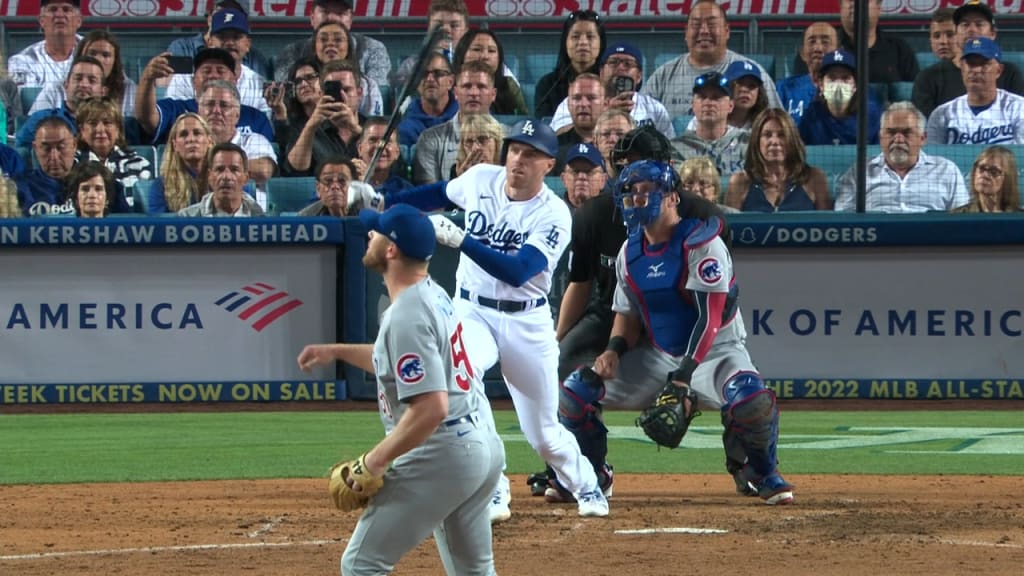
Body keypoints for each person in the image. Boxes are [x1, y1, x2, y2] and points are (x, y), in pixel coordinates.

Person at [352, 119, 611, 522]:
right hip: (472, 311)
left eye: (530, 154)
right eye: (514, 149)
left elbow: (519, 271)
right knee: (463, 377)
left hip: (526, 321)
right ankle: (493, 487)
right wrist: (382, 199)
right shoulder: (480, 179)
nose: (518, 159)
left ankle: (586, 482)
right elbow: (437, 193)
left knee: (543, 434)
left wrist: (461, 240)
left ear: (548, 166)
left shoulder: (555, 214)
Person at [556, 159, 795, 508]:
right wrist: (613, 351)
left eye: (646, 192)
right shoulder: (629, 251)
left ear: (671, 198)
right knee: (576, 391)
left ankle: (760, 471)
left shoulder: (702, 244)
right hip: (659, 355)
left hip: (716, 352)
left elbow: (708, 318)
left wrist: (683, 378)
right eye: (631, 193)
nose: (637, 200)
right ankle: (592, 475)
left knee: (751, 400)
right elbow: (627, 314)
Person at [297, 203, 504, 576]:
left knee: (362, 564)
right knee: (473, 570)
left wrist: (372, 461)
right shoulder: (432, 293)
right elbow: (402, 362)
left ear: (391, 249)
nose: (369, 235)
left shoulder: (407, 313)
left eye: (376, 232)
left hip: (445, 452)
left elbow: (431, 407)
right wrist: (335, 351)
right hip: (482, 446)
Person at [530, 124, 731, 500]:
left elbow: (718, 298)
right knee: (563, 368)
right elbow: (581, 283)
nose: (629, 176)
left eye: (638, 164)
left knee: (742, 389)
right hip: (611, 313)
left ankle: (747, 466)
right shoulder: (595, 213)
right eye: (622, 166)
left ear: (667, 169)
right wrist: (556, 341)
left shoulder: (700, 216)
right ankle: (572, 469)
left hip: (678, 318)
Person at [642, 0, 780, 118]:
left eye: (712, 24)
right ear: (686, 32)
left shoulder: (752, 73)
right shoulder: (664, 75)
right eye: (696, 25)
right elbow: (638, 120)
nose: (704, 31)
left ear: (727, 31)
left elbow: (778, 125)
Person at [835, 102, 968, 213]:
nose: (898, 139)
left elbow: (962, 215)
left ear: (922, 138)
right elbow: (843, 215)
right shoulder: (860, 171)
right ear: (881, 138)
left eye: (906, 132)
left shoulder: (946, 170)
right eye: (891, 132)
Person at [136, 47, 274, 145]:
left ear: (234, 80)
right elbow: (146, 119)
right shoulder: (176, 109)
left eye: (220, 71)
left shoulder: (256, 118)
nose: (213, 75)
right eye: (206, 71)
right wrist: (147, 79)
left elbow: (268, 161)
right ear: (193, 80)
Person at [913, 0, 1024, 118]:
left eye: (979, 24)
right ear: (956, 33)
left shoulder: (1010, 73)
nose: (971, 29)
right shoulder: (928, 77)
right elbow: (928, 126)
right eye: (965, 24)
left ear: (993, 33)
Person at [552, 41, 673, 138]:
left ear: (639, 76)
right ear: (601, 71)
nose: (620, 67)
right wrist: (603, 113)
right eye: (613, 62)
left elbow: (670, 145)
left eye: (628, 64)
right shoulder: (577, 99)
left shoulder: (654, 108)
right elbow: (557, 137)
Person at [273, 0, 391, 94]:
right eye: (325, 12)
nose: (332, 18)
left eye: (340, 13)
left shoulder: (373, 48)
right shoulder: (292, 51)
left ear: (350, 19)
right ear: (312, 17)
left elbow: (376, 92)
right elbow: (285, 91)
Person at [165, 8, 270, 114]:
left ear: (247, 44)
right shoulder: (183, 80)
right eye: (222, 37)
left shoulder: (258, 85)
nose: (229, 43)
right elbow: (173, 121)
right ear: (209, 42)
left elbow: (263, 126)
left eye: (236, 37)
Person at [726, 108, 831, 212]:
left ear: (792, 140)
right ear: (756, 141)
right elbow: (729, 227)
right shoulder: (739, 182)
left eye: (782, 135)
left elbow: (828, 226)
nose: (775, 141)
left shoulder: (815, 178)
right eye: (767, 135)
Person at [926, 38, 1024, 146]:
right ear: (962, 68)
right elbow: (933, 159)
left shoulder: (1019, 108)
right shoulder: (942, 114)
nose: (976, 70)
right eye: (971, 63)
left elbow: (1021, 157)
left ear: (998, 70)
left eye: (984, 63)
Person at [413, 60, 498, 184]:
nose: (474, 93)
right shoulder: (430, 140)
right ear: (456, 93)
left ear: (493, 94)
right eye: (467, 86)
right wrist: (459, 184)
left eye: (481, 87)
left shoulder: (509, 138)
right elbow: (429, 198)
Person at [30, 30, 136, 119]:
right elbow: (33, 125)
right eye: (92, 53)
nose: (98, 59)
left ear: (115, 61)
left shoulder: (129, 89)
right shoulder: (54, 89)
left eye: (105, 55)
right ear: (80, 56)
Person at [284, 59, 365, 175]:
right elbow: (295, 169)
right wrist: (312, 125)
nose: (341, 96)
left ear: (359, 93)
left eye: (347, 90)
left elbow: (390, 163)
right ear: (321, 94)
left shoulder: (372, 127)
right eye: (334, 91)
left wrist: (355, 128)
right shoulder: (305, 130)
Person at [74, 97, 153, 207]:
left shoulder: (139, 164)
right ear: (82, 130)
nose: (100, 129)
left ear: (118, 130)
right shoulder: (73, 164)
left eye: (107, 123)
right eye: (93, 123)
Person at [167, 0, 273, 80]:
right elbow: (170, 85)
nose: (228, 17)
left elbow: (261, 91)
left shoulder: (255, 57)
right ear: (209, 18)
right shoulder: (182, 47)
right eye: (221, 11)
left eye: (235, 12)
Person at [16, 55, 107, 148]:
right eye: (78, 78)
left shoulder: (111, 125)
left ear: (103, 91)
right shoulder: (41, 119)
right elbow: (20, 154)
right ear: (66, 85)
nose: (84, 84)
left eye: (92, 80)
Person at [671, 71, 748, 176]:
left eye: (716, 97)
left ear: (731, 106)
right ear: (693, 105)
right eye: (702, 97)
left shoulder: (746, 142)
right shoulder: (677, 148)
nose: (708, 102)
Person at [798, 50, 881, 146]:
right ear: (821, 84)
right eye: (832, 78)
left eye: (845, 78)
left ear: (855, 85)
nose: (838, 84)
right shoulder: (811, 116)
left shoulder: (872, 115)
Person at [534, 9, 607, 118]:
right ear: (565, 42)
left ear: (601, 42)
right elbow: (543, 123)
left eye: (590, 36)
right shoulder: (547, 85)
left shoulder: (608, 83)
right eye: (575, 36)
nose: (583, 42)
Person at [310, 20, 384, 117]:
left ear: (348, 46)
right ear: (314, 47)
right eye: (323, 39)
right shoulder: (304, 83)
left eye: (338, 39)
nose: (330, 44)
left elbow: (373, 126)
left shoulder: (368, 86)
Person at [146, 112, 215, 213]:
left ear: (209, 141)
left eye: (197, 133)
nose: (191, 139)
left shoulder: (228, 178)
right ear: (175, 145)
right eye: (183, 134)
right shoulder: (161, 186)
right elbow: (159, 226)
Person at [392, 0, 470, 88]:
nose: (446, 30)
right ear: (429, 28)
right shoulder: (412, 64)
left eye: (454, 25)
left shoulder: (474, 64)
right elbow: (397, 88)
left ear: (466, 31)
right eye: (439, 25)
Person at [15, 113, 80, 215]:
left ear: (74, 145)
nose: (54, 157)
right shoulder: (20, 187)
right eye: (46, 149)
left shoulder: (93, 182)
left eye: (61, 147)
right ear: (36, 148)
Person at [452, 28, 528, 116]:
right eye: (477, 49)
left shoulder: (508, 85)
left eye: (491, 51)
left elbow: (524, 118)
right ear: (462, 54)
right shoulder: (447, 83)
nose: (485, 56)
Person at [7, 0, 82, 88]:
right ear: (42, 21)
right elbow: (28, 100)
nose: (59, 15)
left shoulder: (95, 51)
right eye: (53, 9)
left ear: (78, 21)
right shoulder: (23, 61)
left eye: (66, 9)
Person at [776, 22, 838, 127]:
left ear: (838, 51)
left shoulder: (851, 89)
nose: (818, 48)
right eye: (812, 42)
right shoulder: (783, 89)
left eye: (825, 42)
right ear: (802, 53)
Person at [178, 142, 264, 216]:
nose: (226, 177)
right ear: (209, 176)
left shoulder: (260, 220)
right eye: (219, 169)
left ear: (245, 178)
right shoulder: (187, 218)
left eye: (234, 170)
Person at [398, 52, 458, 147]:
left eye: (438, 74)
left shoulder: (467, 120)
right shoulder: (405, 129)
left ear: (450, 82)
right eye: (423, 74)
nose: (430, 79)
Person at [552, 73, 606, 175]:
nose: (583, 104)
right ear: (568, 105)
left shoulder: (616, 145)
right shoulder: (555, 147)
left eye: (591, 98)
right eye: (576, 98)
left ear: (605, 104)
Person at [354, 117, 413, 196]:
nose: (379, 146)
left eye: (387, 141)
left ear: (397, 152)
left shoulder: (406, 191)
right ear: (360, 148)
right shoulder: (345, 185)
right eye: (373, 140)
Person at [952, 145, 1021, 213]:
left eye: (994, 171)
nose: (985, 175)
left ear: (1008, 178)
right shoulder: (958, 215)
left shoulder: (1019, 217)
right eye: (981, 168)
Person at [451, 113, 503, 179]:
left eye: (482, 139)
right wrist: (463, 180)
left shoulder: (508, 170)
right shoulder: (457, 171)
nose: (475, 148)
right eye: (469, 141)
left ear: (496, 141)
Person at [560, 142, 607, 209]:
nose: (581, 177)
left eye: (589, 172)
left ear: (603, 180)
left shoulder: (614, 215)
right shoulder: (551, 213)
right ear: (563, 179)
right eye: (575, 171)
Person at [724, 60, 768, 130]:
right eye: (740, 84)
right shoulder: (714, 121)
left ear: (759, 93)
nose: (745, 90)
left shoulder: (765, 125)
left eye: (752, 85)